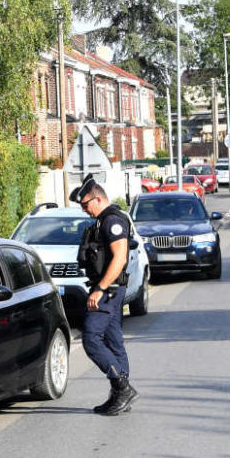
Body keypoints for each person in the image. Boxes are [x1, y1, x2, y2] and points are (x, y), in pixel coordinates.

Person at [72, 176, 136, 416]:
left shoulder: (112, 221)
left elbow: (119, 258)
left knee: (91, 338)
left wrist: (100, 289)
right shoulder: (102, 221)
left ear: (97, 198)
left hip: (107, 290)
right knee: (113, 339)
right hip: (108, 289)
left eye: (86, 204)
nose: (84, 209)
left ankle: (123, 388)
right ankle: (120, 394)